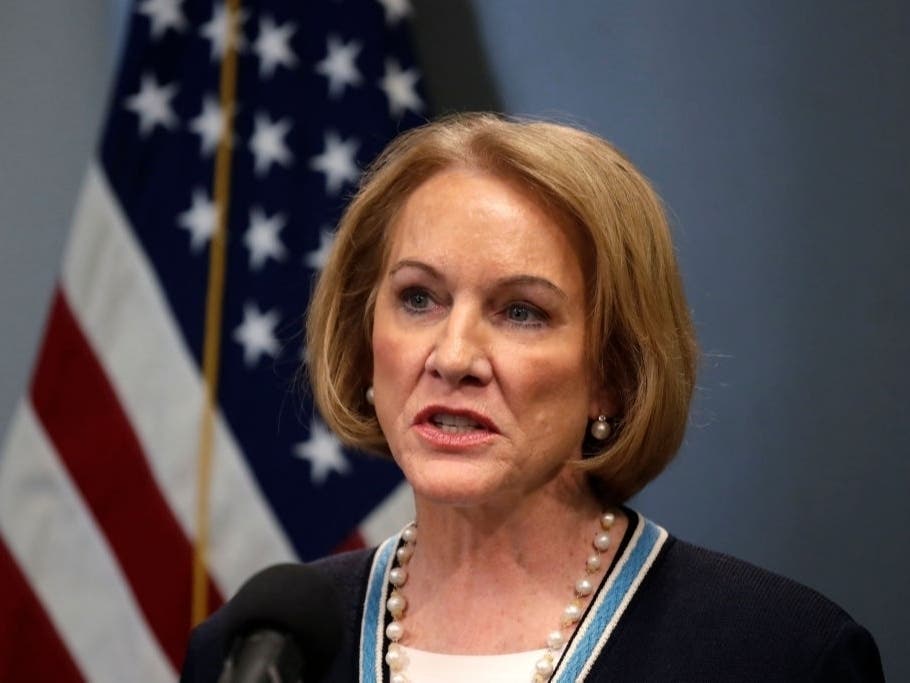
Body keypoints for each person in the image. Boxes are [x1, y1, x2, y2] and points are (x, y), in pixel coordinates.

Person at [181, 113, 883, 682]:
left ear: (613, 371)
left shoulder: (780, 655)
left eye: (521, 311)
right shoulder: (259, 654)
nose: (453, 356)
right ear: (368, 340)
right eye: (418, 298)